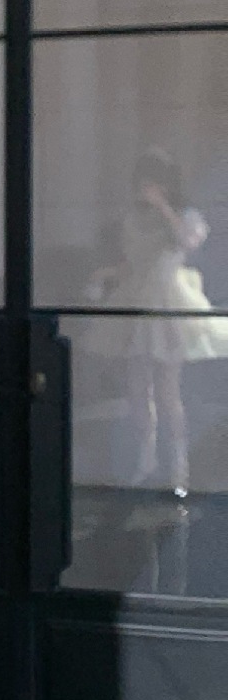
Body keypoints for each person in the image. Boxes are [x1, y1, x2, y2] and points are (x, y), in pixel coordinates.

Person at [86, 149, 228, 497]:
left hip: (167, 300)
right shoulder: (132, 218)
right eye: (144, 180)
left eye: (155, 180)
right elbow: (134, 261)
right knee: (138, 390)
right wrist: (105, 275)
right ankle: (146, 459)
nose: (148, 186)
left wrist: (164, 207)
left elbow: (187, 241)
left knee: (168, 390)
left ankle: (179, 466)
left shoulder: (184, 215)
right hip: (136, 298)